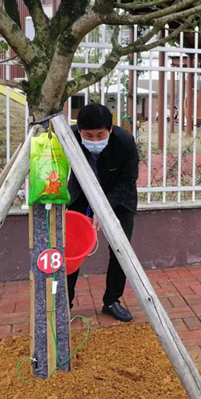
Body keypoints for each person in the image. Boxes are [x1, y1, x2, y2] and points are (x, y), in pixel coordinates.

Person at [66, 103, 139, 322]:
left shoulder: (125, 142)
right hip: (81, 195)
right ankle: (64, 303)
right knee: (72, 249)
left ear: (111, 128)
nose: (95, 140)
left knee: (121, 251)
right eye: (88, 135)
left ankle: (111, 301)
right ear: (79, 131)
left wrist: (104, 207)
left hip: (118, 198)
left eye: (100, 135)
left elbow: (128, 181)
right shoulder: (67, 137)